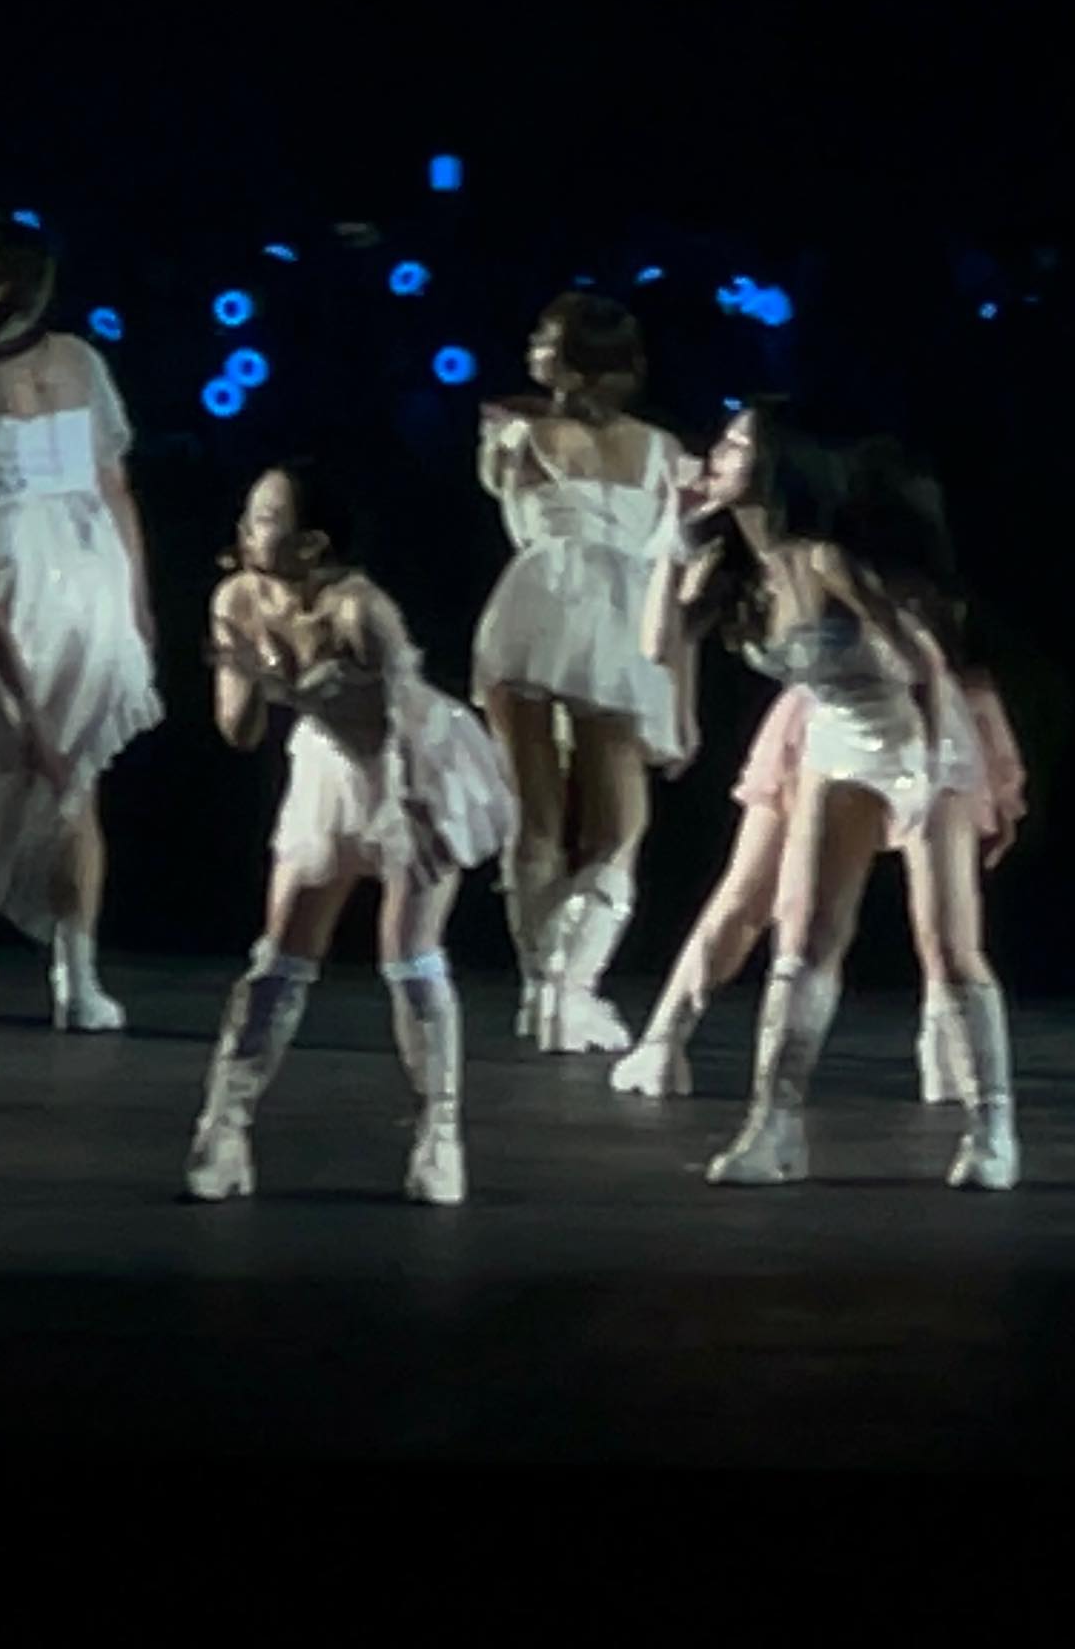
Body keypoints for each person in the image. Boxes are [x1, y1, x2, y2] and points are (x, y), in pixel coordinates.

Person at [650, 399, 1020, 1189]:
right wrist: (672, 535)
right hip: (834, 737)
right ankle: (773, 1126)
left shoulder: (823, 560)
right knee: (806, 939)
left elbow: (922, 663)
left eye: (737, 444)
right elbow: (658, 643)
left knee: (946, 942)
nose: (716, 454)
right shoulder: (734, 568)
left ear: (776, 465)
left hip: (919, 731)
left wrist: (926, 773)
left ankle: (991, 1127)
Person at [184, 466, 515, 1205]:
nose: (247, 529)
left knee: (410, 954)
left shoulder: (359, 608)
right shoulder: (236, 598)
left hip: (415, 767)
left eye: (267, 517)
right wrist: (248, 669)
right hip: (329, 766)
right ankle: (225, 1128)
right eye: (251, 513)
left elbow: (402, 719)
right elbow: (239, 731)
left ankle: (440, 1133)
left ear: (312, 543)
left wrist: (410, 817)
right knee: (280, 954)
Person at [473, 293, 689, 1055]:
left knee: (539, 818)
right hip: (621, 614)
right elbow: (674, 562)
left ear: (567, 361)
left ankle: (545, 988)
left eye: (545, 337)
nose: (532, 344)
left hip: (540, 604)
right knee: (615, 829)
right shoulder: (661, 451)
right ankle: (569, 989)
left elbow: (512, 514)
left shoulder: (516, 435)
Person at [0, 211, 160, 1029]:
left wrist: (137, 600)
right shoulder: (59, 361)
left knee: (73, 779)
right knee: (46, 772)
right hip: (32, 575)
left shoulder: (78, 361)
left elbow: (112, 484)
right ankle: (75, 974)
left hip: (73, 580)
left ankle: (77, 973)